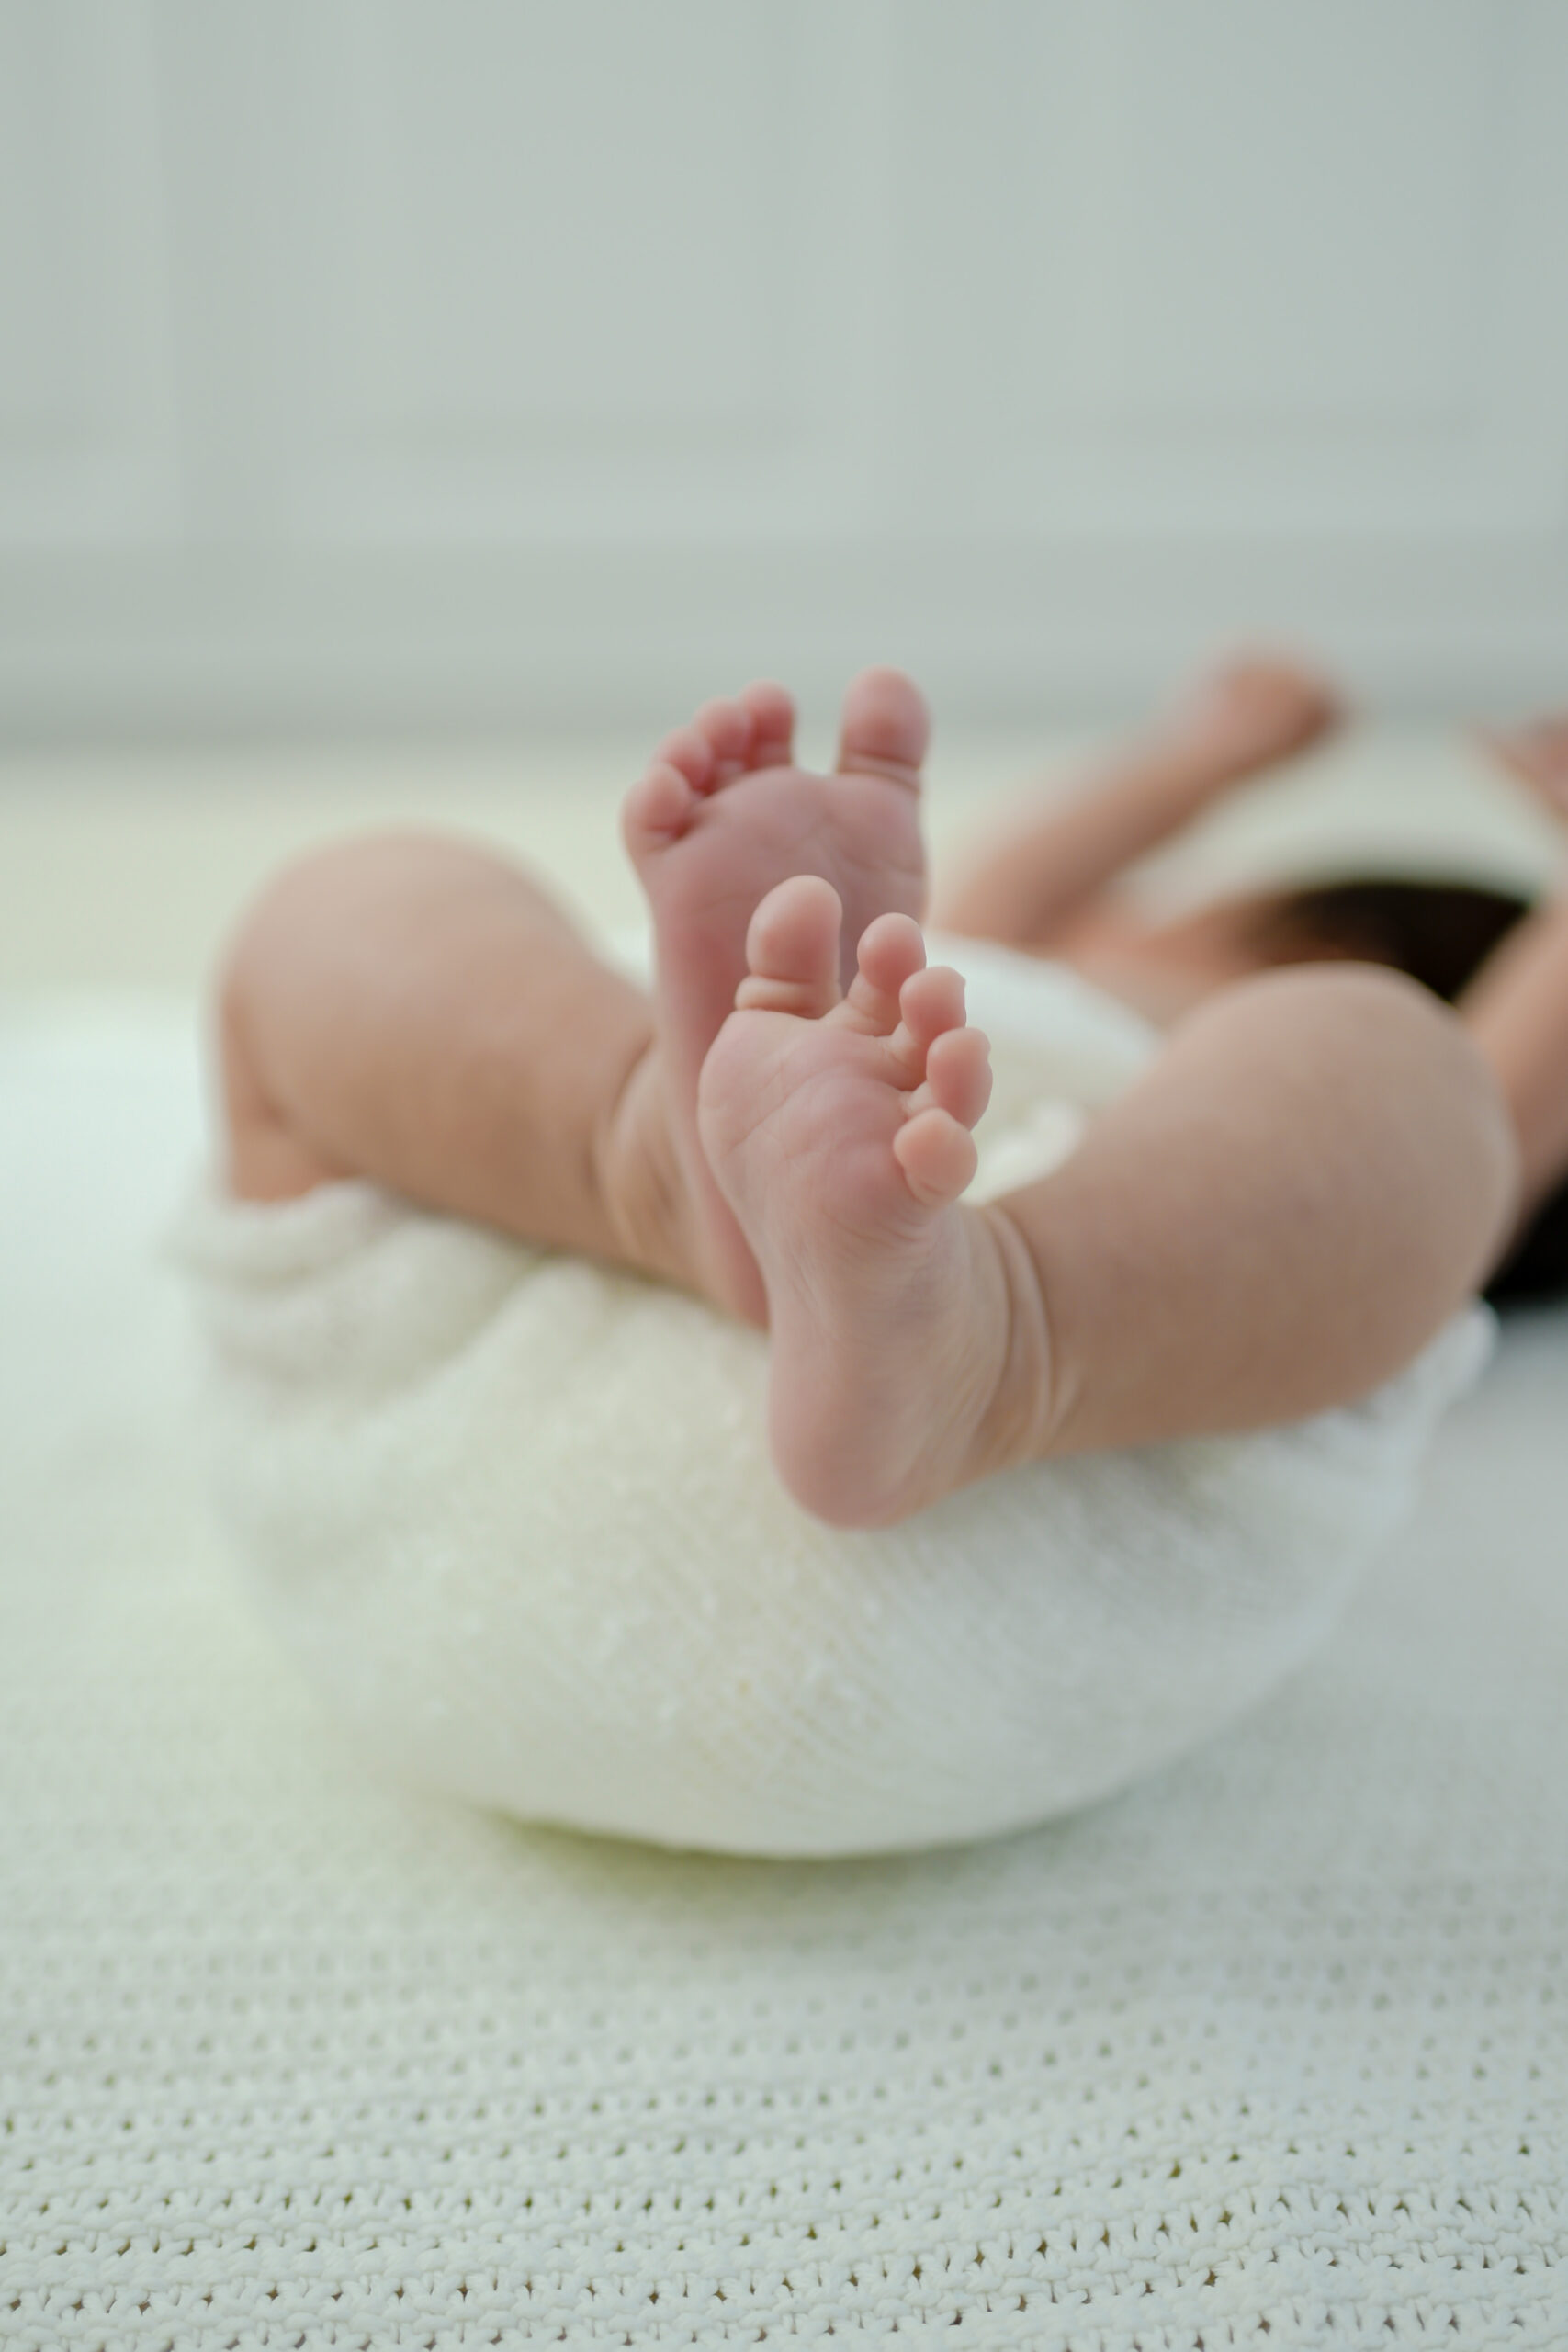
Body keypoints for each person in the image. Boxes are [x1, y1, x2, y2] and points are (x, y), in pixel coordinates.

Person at [216, 661, 1558, 1531]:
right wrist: (1207, 757)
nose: (1126, 912)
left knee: (1420, 1087)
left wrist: (1210, 753)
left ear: (1293, 948)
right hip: (818, 1172)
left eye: (1184, 910)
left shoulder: (1217, 1114)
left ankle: (987, 1333)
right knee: (372, 905)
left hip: (1038, 1268)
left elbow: (1511, 1098)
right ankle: (677, 1175)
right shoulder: (903, 1027)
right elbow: (997, 912)